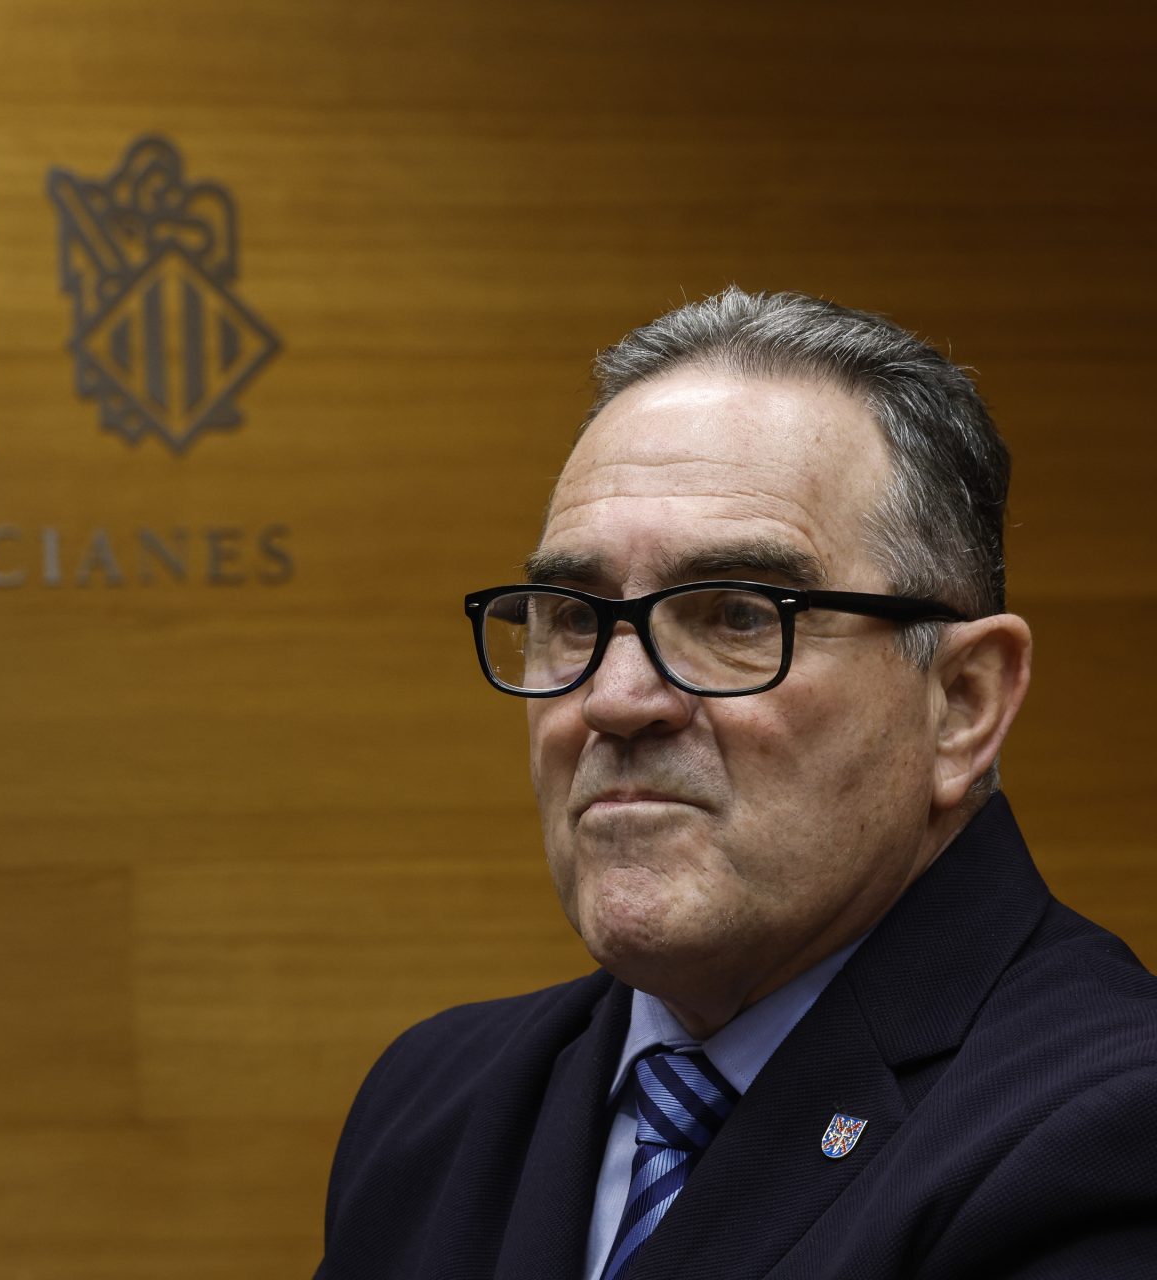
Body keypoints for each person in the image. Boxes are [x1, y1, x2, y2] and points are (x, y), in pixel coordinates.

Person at [315, 289, 1157, 1279]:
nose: (615, 699)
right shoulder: (432, 1105)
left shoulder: (1106, 1128)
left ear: (962, 702)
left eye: (738, 615)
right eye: (576, 617)